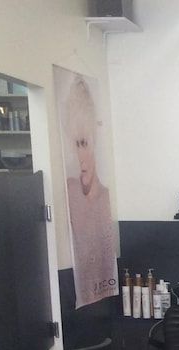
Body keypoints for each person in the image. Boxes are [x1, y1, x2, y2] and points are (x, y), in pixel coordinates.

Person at [64, 74, 117, 309]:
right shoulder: (70, 192)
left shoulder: (106, 200)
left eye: (83, 143)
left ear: (95, 141)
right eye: (73, 144)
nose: (78, 157)